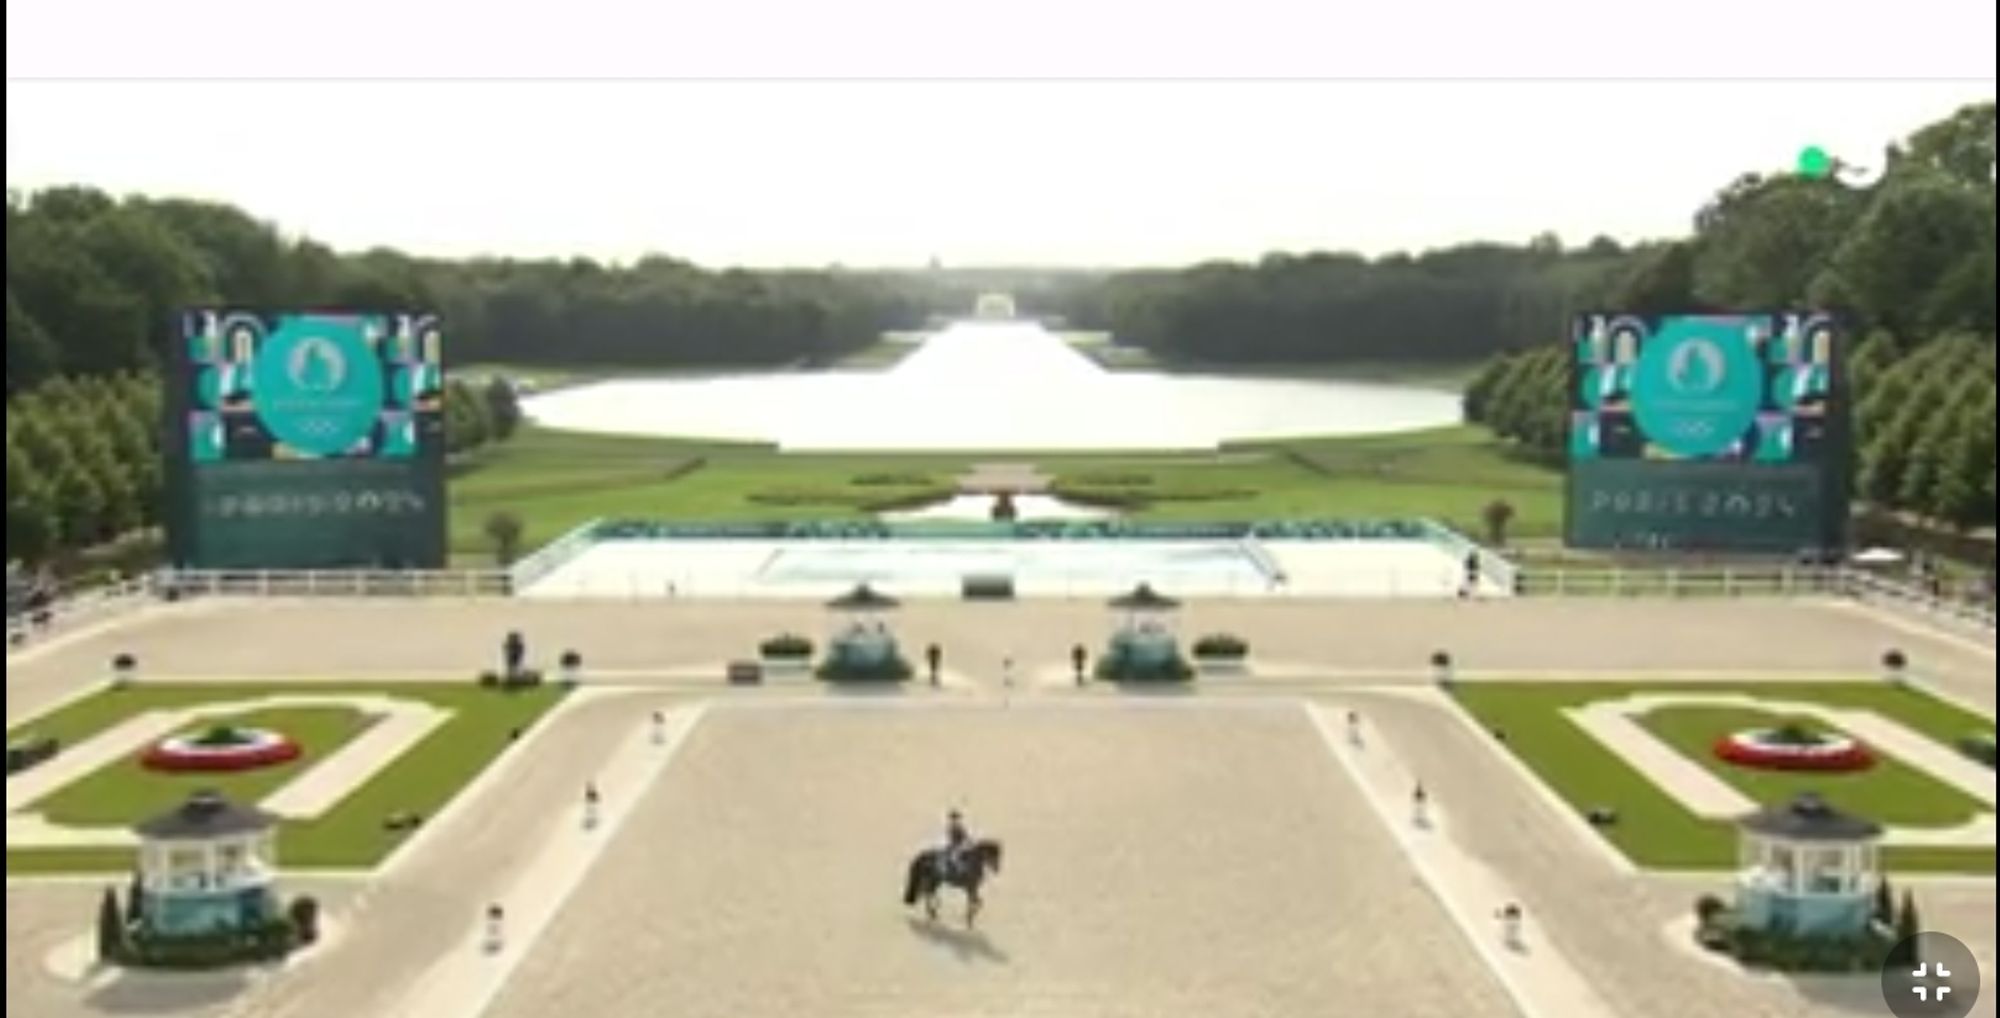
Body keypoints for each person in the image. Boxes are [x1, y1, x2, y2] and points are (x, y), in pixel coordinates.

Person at [938, 809, 971, 878]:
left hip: (962, 845)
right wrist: (956, 844)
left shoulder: (961, 827)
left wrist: (969, 842)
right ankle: (958, 871)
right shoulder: (951, 827)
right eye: (954, 818)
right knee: (954, 857)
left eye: (956, 818)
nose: (955, 820)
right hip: (954, 845)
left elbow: (966, 836)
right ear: (951, 819)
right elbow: (950, 838)